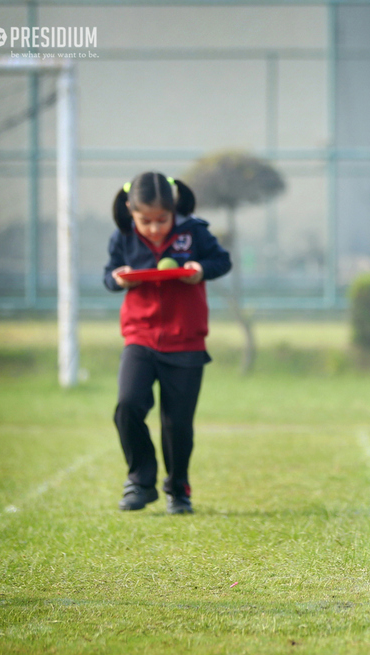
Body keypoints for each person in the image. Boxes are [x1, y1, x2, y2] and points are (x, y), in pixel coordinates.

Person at [104, 171, 232, 514]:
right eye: (145, 220)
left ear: (174, 209)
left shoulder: (195, 232)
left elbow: (223, 261)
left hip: (186, 340)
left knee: (177, 424)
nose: (155, 228)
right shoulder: (123, 237)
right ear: (131, 211)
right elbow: (109, 274)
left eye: (162, 219)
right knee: (128, 406)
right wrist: (119, 280)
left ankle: (179, 490)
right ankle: (140, 482)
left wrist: (199, 270)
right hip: (140, 336)